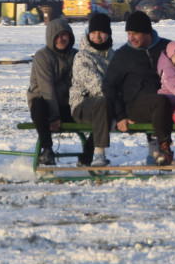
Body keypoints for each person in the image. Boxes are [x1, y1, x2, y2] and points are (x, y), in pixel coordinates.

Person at [101, 11, 174, 166]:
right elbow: (108, 85)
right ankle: (164, 149)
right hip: (135, 105)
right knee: (159, 101)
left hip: (169, 100)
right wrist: (120, 115)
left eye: (135, 33)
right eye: (128, 34)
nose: (131, 38)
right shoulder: (123, 55)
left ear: (147, 32)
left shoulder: (166, 47)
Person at [26, 17, 78, 166]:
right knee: (39, 105)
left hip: (66, 105)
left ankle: (88, 154)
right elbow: (46, 89)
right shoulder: (43, 56)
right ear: (51, 38)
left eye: (64, 35)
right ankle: (47, 149)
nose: (61, 39)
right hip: (45, 107)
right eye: (57, 36)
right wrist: (54, 117)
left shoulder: (76, 55)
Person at [68, 13, 114, 167]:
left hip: (108, 105)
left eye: (101, 33)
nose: (97, 36)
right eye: (93, 33)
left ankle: (154, 152)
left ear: (108, 34)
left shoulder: (113, 56)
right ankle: (99, 154)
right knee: (102, 101)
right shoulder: (82, 57)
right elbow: (97, 87)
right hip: (82, 106)